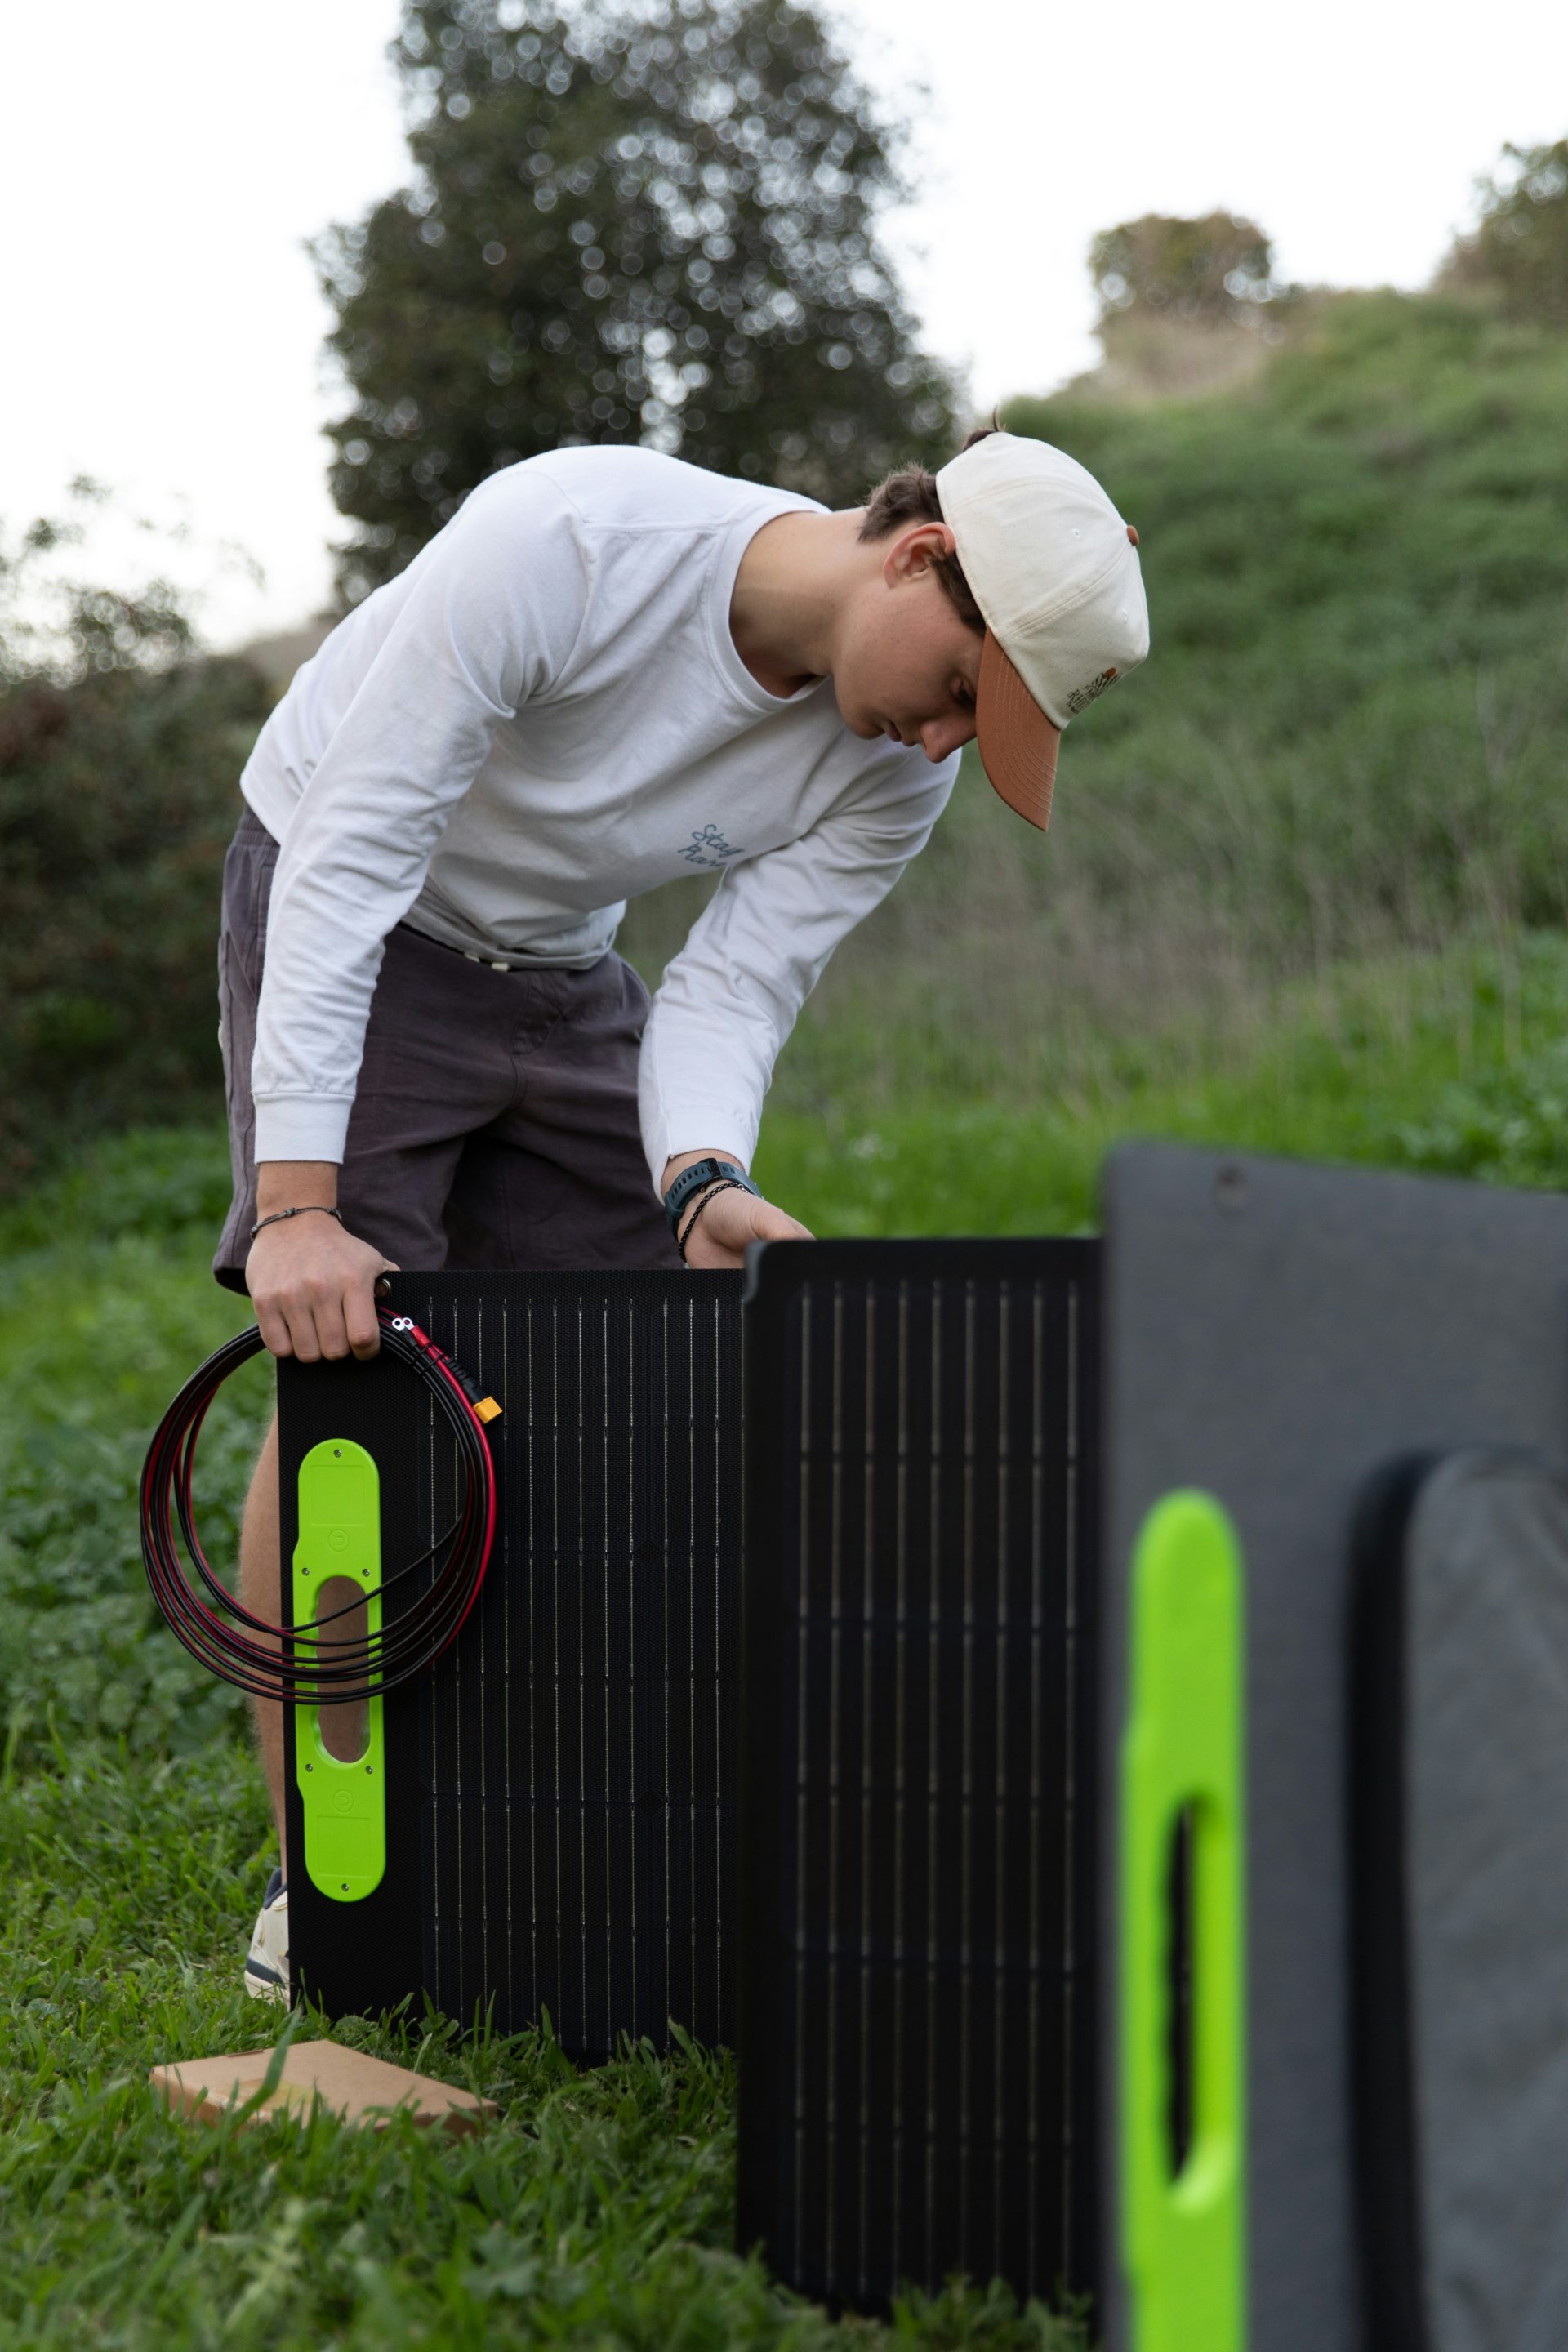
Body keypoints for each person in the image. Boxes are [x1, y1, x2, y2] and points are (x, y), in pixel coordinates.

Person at [226, 423, 1149, 1998]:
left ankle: (562, 1828)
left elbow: (734, 984)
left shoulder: (886, 772)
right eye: (957, 697)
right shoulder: (572, 540)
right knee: (349, 1384)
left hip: (563, 968)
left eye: (975, 732)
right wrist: (298, 1205)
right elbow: (355, 841)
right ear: (921, 555)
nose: (938, 748)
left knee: (624, 1390)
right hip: (355, 909)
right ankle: (334, 1889)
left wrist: (700, 1178)